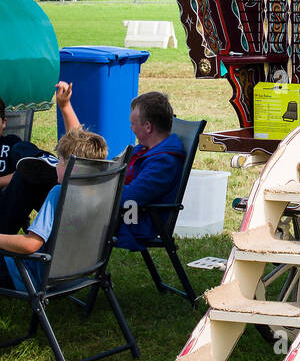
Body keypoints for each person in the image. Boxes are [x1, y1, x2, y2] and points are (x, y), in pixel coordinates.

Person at [0, 126, 108, 292]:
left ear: (72, 168)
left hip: (32, 275)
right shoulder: (104, 192)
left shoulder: (60, 194)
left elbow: (30, 245)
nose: (56, 165)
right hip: (77, 274)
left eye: (59, 160)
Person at [0, 84, 81, 236]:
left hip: (21, 190)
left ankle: (51, 166)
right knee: (28, 171)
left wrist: (65, 106)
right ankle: (56, 169)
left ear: (4, 122)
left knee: (21, 149)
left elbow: (21, 174)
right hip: (4, 213)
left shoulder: (10, 142)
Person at [115, 92, 185, 250]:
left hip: (133, 220)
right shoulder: (146, 150)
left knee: (70, 214)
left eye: (133, 123)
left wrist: (94, 192)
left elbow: (130, 197)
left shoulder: (164, 162)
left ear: (148, 126)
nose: (131, 128)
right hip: (127, 213)